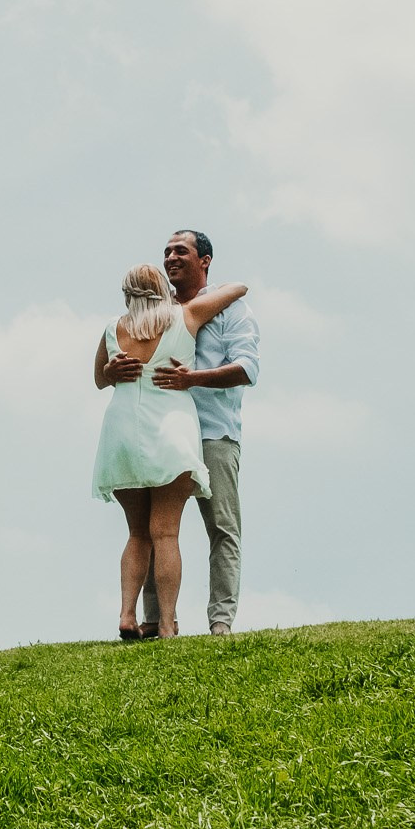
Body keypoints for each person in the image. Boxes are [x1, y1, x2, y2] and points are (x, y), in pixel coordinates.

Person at [92, 262, 250, 640]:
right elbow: (239, 288)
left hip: (122, 434)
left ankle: (127, 616)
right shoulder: (185, 316)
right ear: (162, 289)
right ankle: (165, 625)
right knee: (165, 534)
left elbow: (99, 379)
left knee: (137, 533)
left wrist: (114, 372)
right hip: (169, 432)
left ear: (127, 293)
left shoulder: (113, 329)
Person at [133, 230, 259, 637]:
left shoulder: (232, 310)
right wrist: (112, 368)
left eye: (180, 251)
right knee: (156, 530)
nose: (170, 257)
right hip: (165, 432)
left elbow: (247, 368)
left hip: (213, 433)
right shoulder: (158, 310)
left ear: (204, 260)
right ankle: (154, 620)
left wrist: (194, 379)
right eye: (166, 251)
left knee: (222, 528)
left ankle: (220, 622)